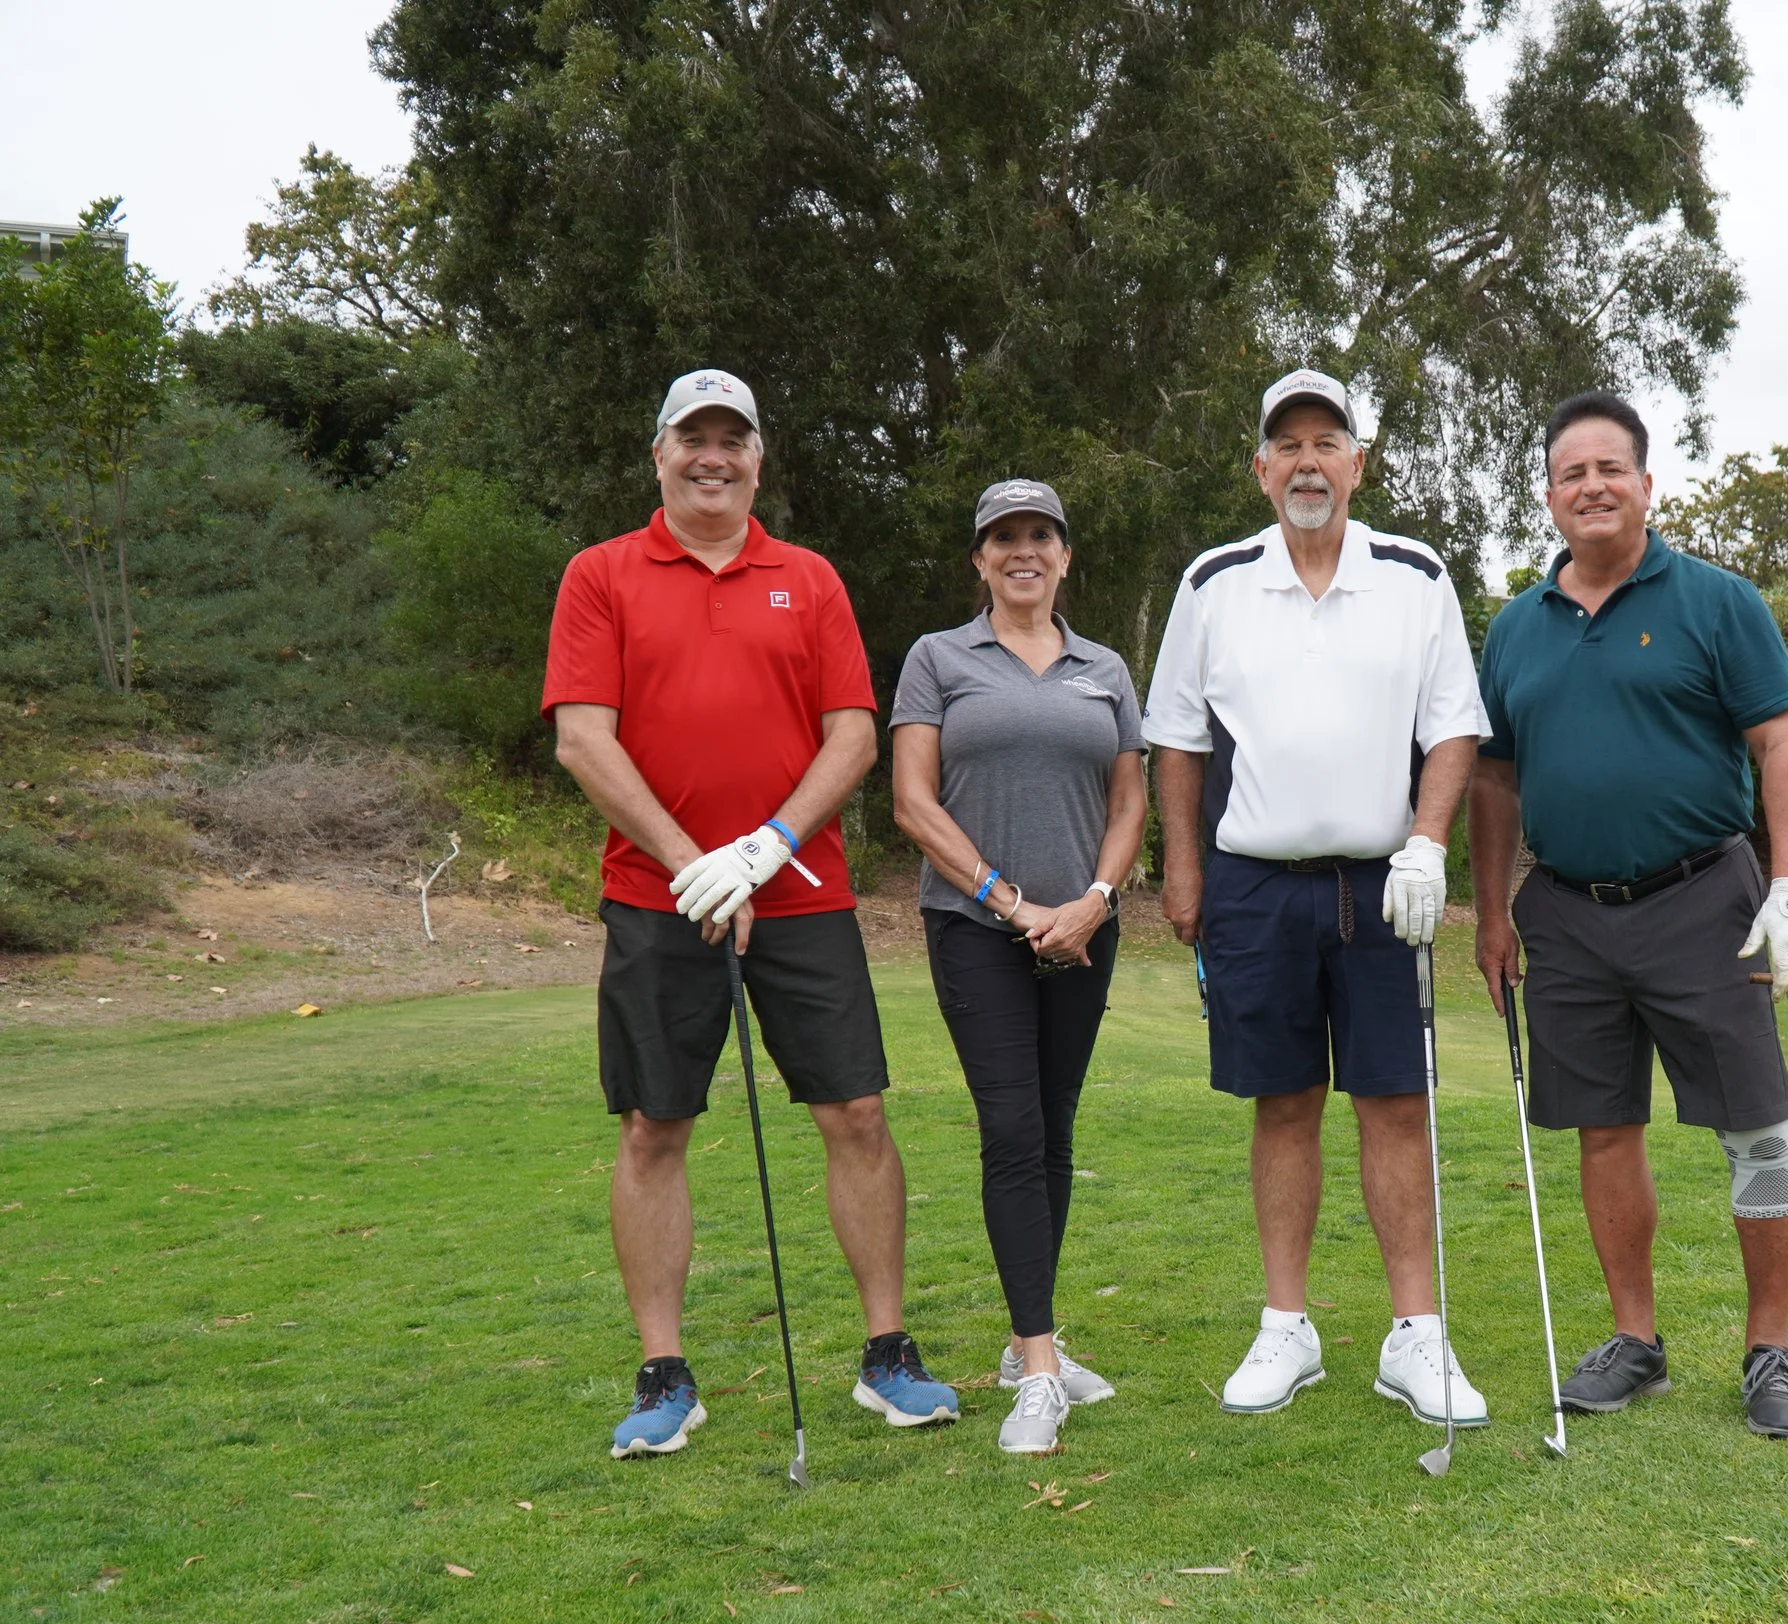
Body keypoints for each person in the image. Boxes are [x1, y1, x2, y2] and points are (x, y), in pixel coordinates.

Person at [544, 368, 959, 1461]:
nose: (713, 457)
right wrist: (695, 867)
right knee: (654, 1124)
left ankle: (886, 1355)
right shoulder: (601, 575)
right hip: (656, 897)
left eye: (733, 439)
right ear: (660, 453)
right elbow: (584, 737)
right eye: (694, 438)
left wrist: (764, 847)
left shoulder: (808, 577)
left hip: (804, 892)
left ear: (758, 458)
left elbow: (855, 735)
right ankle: (665, 1373)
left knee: (856, 1113)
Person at [1470, 390, 1788, 1439]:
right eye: (1571, 473)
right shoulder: (1514, 628)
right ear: (1548, 497)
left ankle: (1770, 1347)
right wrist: (1491, 914)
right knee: (1602, 1128)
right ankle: (1637, 1340)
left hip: (1702, 899)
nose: (1591, 486)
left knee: (1757, 1131)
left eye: (1609, 469)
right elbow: (1493, 784)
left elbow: (1783, 746)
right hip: (1568, 914)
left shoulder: (1717, 601)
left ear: (1645, 484)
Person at [1143, 368, 1491, 1428]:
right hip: (1255, 883)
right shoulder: (1212, 582)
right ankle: (1287, 1326)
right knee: (1282, 1099)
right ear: (1260, 468)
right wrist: (1184, 866)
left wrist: (1430, 842)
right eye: (1285, 444)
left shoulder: (1415, 573)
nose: (1306, 460)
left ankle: (1414, 1334)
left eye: (1324, 441)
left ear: (1357, 461)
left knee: (1394, 1099)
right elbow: (1177, 736)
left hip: (1387, 884)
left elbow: (1453, 726)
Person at [890, 479, 1148, 1456]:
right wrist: (1011, 900)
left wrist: (1092, 900)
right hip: (975, 926)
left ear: (1065, 555)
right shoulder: (938, 659)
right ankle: (1040, 1366)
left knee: (1052, 1128)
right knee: (1009, 1127)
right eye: (1003, 537)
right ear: (980, 558)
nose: (1023, 550)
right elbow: (914, 802)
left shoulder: (1105, 667)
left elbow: (1128, 802)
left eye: (1040, 534)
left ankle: (1022, 1337)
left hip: (1085, 930)